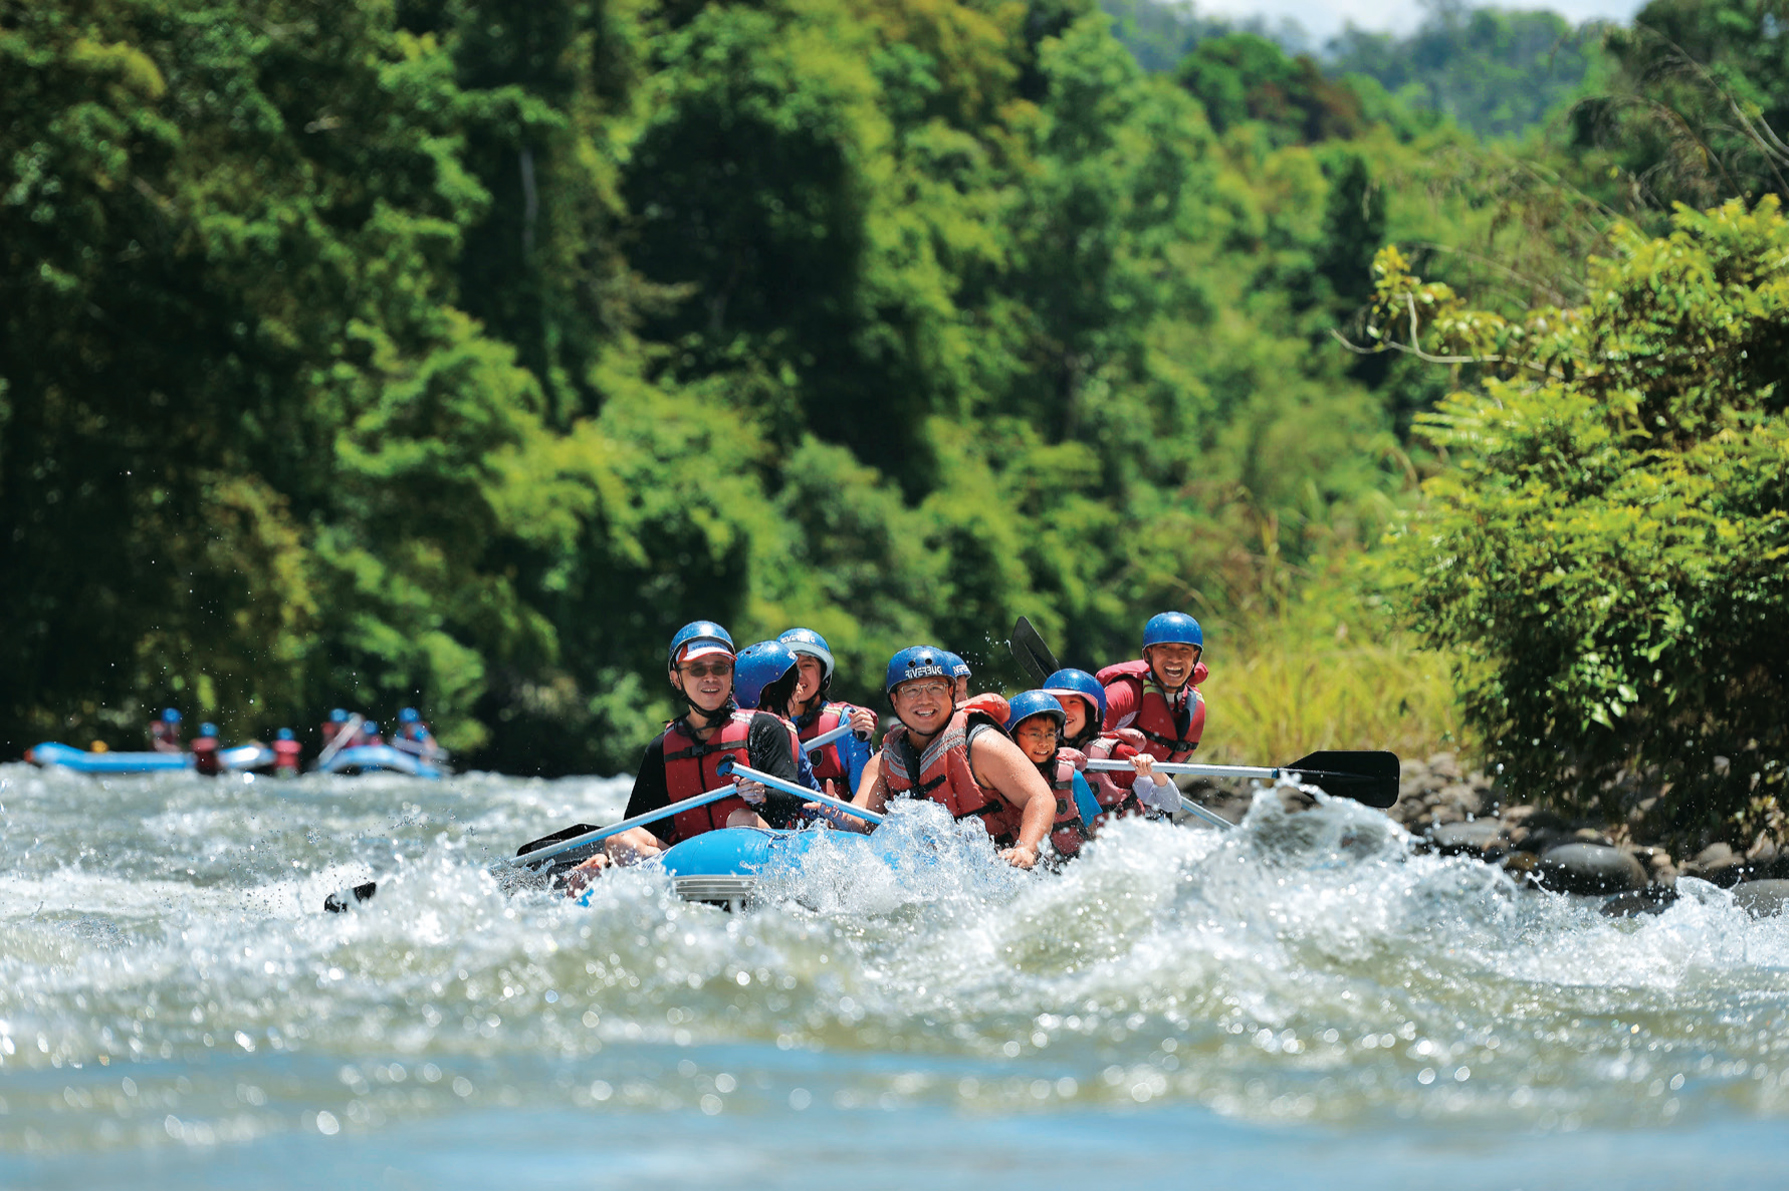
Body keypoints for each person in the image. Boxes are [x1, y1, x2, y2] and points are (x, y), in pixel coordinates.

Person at [565, 621, 806, 885]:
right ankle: (654, 882)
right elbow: (640, 824)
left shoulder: (763, 728)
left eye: (719, 668)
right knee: (618, 840)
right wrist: (608, 859)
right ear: (676, 678)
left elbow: (791, 799)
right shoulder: (662, 749)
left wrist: (762, 794)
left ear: (731, 673)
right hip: (683, 863)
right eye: (697, 669)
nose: (710, 678)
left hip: (751, 857)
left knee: (739, 818)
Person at [851, 646, 1059, 869]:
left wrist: (1026, 849)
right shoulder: (884, 762)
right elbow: (860, 819)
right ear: (895, 700)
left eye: (936, 688)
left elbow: (1040, 798)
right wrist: (833, 815)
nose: (925, 700)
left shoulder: (980, 743)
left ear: (951, 691)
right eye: (911, 690)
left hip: (1003, 870)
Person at [1043, 667, 1180, 825]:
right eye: (1057, 703)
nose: (1064, 710)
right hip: (1066, 846)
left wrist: (1157, 773)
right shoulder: (1037, 754)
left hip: (1118, 844)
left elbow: (1172, 805)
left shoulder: (1117, 755)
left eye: (1073, 702)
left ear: (1091, 712)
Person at [1002, 691, 1101, 860]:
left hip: (1071, 865)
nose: (1044, 742)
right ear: (1012, 737)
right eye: (1034, 734)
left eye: (1050, 734)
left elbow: (1094, 832)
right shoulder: (1001, 780)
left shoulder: (1072, 778)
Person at [1097, 612, 1208, 763]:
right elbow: (1086, 745)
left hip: (1158, 784)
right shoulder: (1123, 693)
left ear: (1194, 657)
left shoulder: (1191, 700)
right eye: (1165, 648)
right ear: (1148, 655)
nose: (1175, 658)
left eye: (1184, 649)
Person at [777, 627, 876, 795]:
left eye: (807, 665)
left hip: (832, 819)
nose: (798, 674)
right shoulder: (763, 723)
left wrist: (861, 742)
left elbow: (864, 797)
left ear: (823, 675)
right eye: (791, 666)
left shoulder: (844, 722)